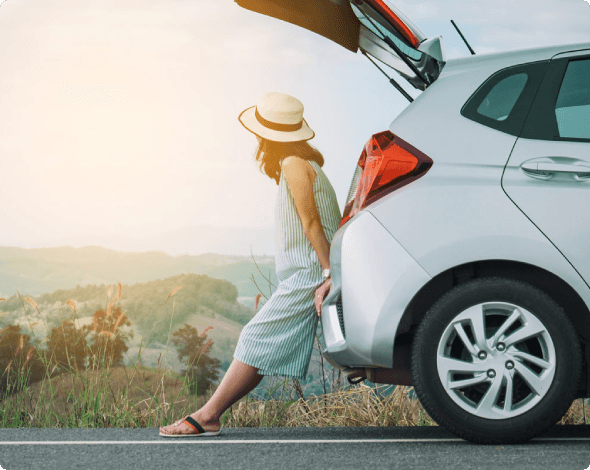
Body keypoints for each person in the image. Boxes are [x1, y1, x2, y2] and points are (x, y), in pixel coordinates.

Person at [159, 91, 342, 437]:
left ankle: (208, 416)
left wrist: (329, 273)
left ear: (268, 137)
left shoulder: (292, 164)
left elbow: (312, 224)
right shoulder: (306, 164)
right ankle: (209, 415)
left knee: (255, 336)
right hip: (310, 270)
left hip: (309, 272)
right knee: (258, 339)